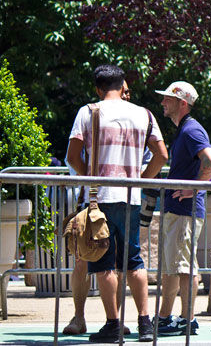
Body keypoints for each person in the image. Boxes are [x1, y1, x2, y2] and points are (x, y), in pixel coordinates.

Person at [66, 65, 167, 342]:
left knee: (103, 262)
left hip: (99, 198)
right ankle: (145, 323)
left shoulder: (88, 112)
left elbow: (73, 155)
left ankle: (112, 324)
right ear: (124, 85)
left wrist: (90, 177)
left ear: (98, 88)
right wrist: (141, 179)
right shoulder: (143, 114)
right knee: (134, 259)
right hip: (131, 197)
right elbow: (161, 154)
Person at [62, 79, 143, 336]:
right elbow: (74, 156)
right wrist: (92, 178)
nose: (127, 95)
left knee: (115, 264)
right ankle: (82, 316)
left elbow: (150, 158)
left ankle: (114, 321)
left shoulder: (133, 117)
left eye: (128, 92)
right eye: (125, 90)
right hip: (95, 199)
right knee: (85, 259)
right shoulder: (94, 113)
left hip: (109, 196)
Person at [153, 81, 211, 335]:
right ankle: (167, 317)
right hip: (179, 211)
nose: (162, 103)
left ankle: (187, 319)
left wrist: (195, 189)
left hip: (185, 211)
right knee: (173, 266)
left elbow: (210, 160)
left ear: (182, 102)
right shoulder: (185, 130)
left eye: (168, 98)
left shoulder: (191, 130)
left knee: (184, 267)